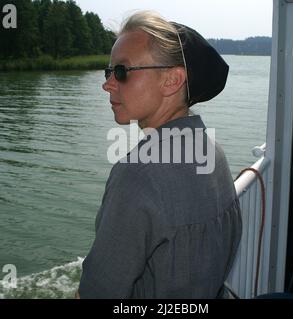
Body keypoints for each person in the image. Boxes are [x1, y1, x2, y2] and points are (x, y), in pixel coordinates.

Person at [77, 11, 242, 298]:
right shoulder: (213, 152)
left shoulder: (138, 174)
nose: (107, 84)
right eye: (108, 71)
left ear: (172, 80)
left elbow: (97, 292)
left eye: (121, 71)